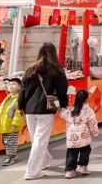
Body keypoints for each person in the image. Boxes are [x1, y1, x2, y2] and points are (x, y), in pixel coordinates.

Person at [19, 42, 68, 180]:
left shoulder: (30, 69)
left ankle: (44, 161)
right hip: (45, 110)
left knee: (36, 139)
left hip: (29, 110)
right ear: (54, 53)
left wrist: (20, 107)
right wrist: (62, 106)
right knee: (40, 140)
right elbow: (62, 91)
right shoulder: (57, 71)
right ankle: (32, 171)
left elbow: (22, 91)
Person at [60, 90, 98, 178]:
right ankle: (83, 167)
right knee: (85, 150)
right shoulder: (88, 110)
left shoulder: (71, 109)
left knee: (71, 152)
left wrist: (59, 108)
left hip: (71, 135)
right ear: (86, 99)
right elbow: (92, 122)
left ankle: (70, 171)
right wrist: (94, 132)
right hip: (83, 134)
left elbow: (64, 115)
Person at [0, 77, 24, 166]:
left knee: (10, 142)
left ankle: (11, 157)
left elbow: (19, 113)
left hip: (12, 126)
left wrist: (15, 123)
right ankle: (10, 156)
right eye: (9, 84)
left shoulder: (18, 99)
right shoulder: (8, 97)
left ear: (19, 87)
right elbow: (1, 109)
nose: (11, 86)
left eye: (14, 84)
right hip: (5, 125)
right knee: (5, 142)